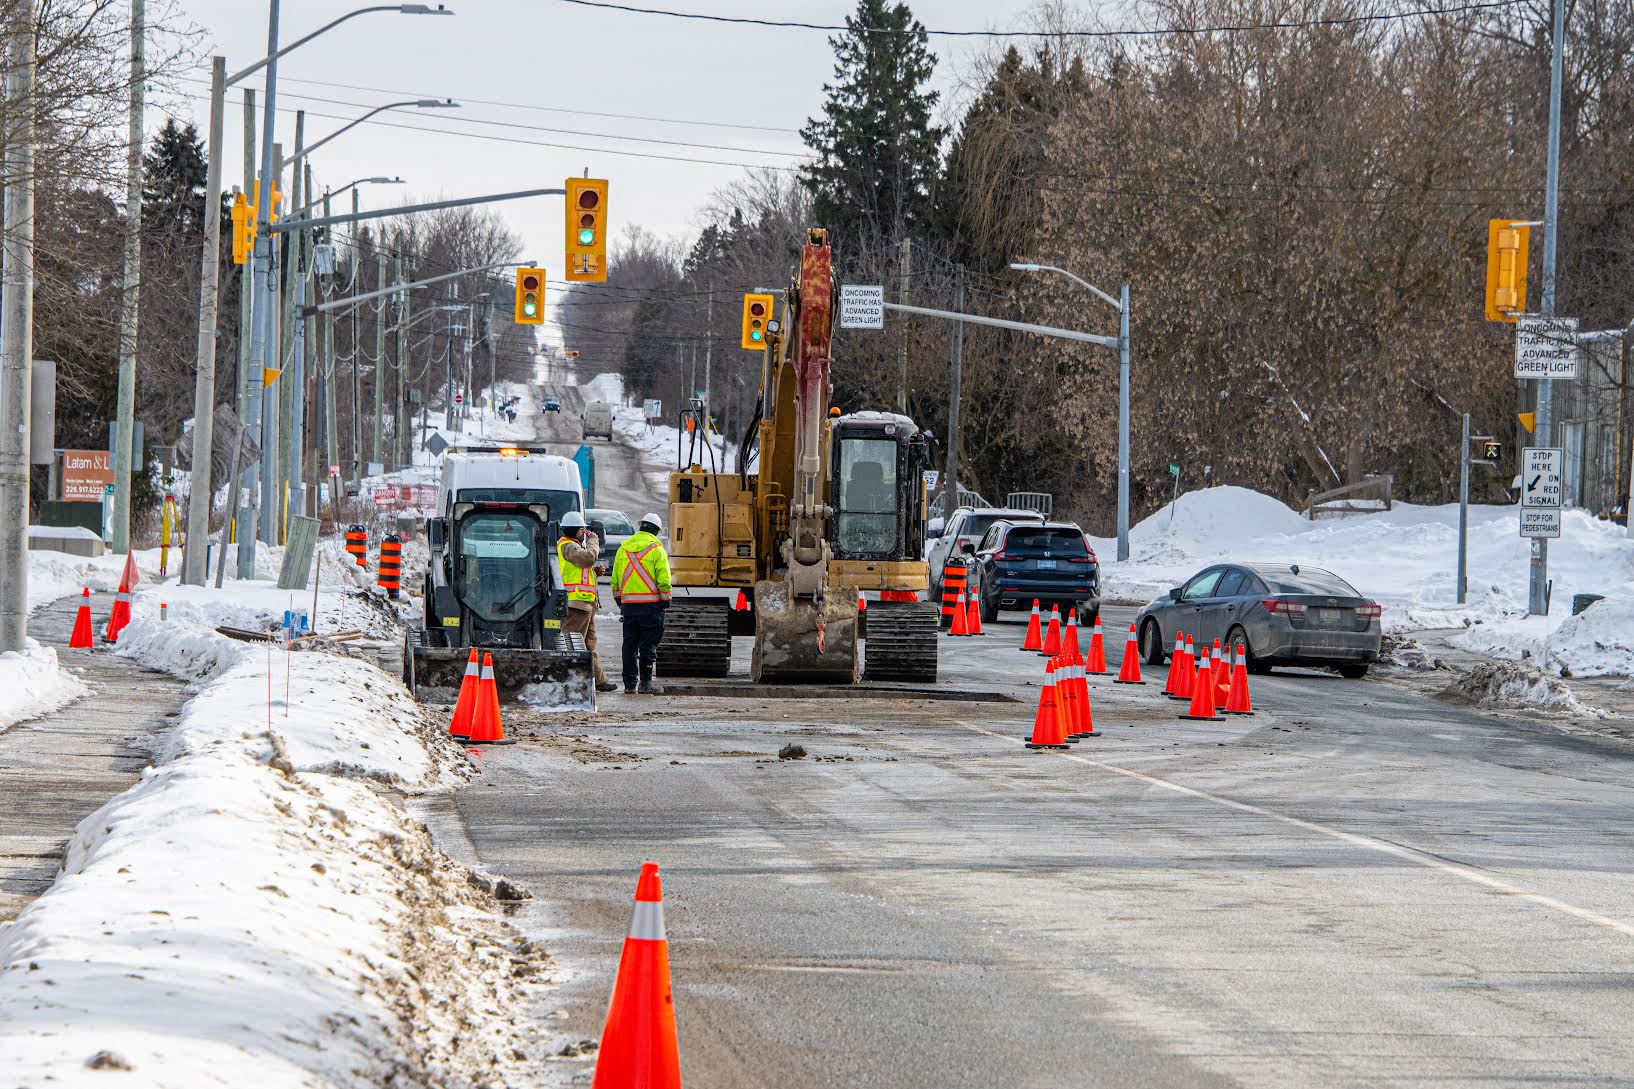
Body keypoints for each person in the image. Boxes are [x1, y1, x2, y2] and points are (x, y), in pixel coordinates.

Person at [557, 511, 618, 693]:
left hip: (586, 603)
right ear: (577, 531)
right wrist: (594, 540)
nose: (585, 533)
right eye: (583, 530)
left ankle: (599, 680)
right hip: (576, 603)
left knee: (589, 643)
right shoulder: (567, 546)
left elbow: (582, 568)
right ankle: (567, 681)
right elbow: (587, 558)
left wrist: (593, 572)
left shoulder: (574, 547)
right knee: (572, 644)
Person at [611, 512, 672, 695]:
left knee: (629, 645)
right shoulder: (656, 549)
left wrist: (620, 601)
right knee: (648, 645)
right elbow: (663, 579)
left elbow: (615, 580)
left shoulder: (624, 549)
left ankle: (629, 685)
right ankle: (645, 684)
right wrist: (666, 599)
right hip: (651, 606)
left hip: (629, 607)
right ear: (655, 531)